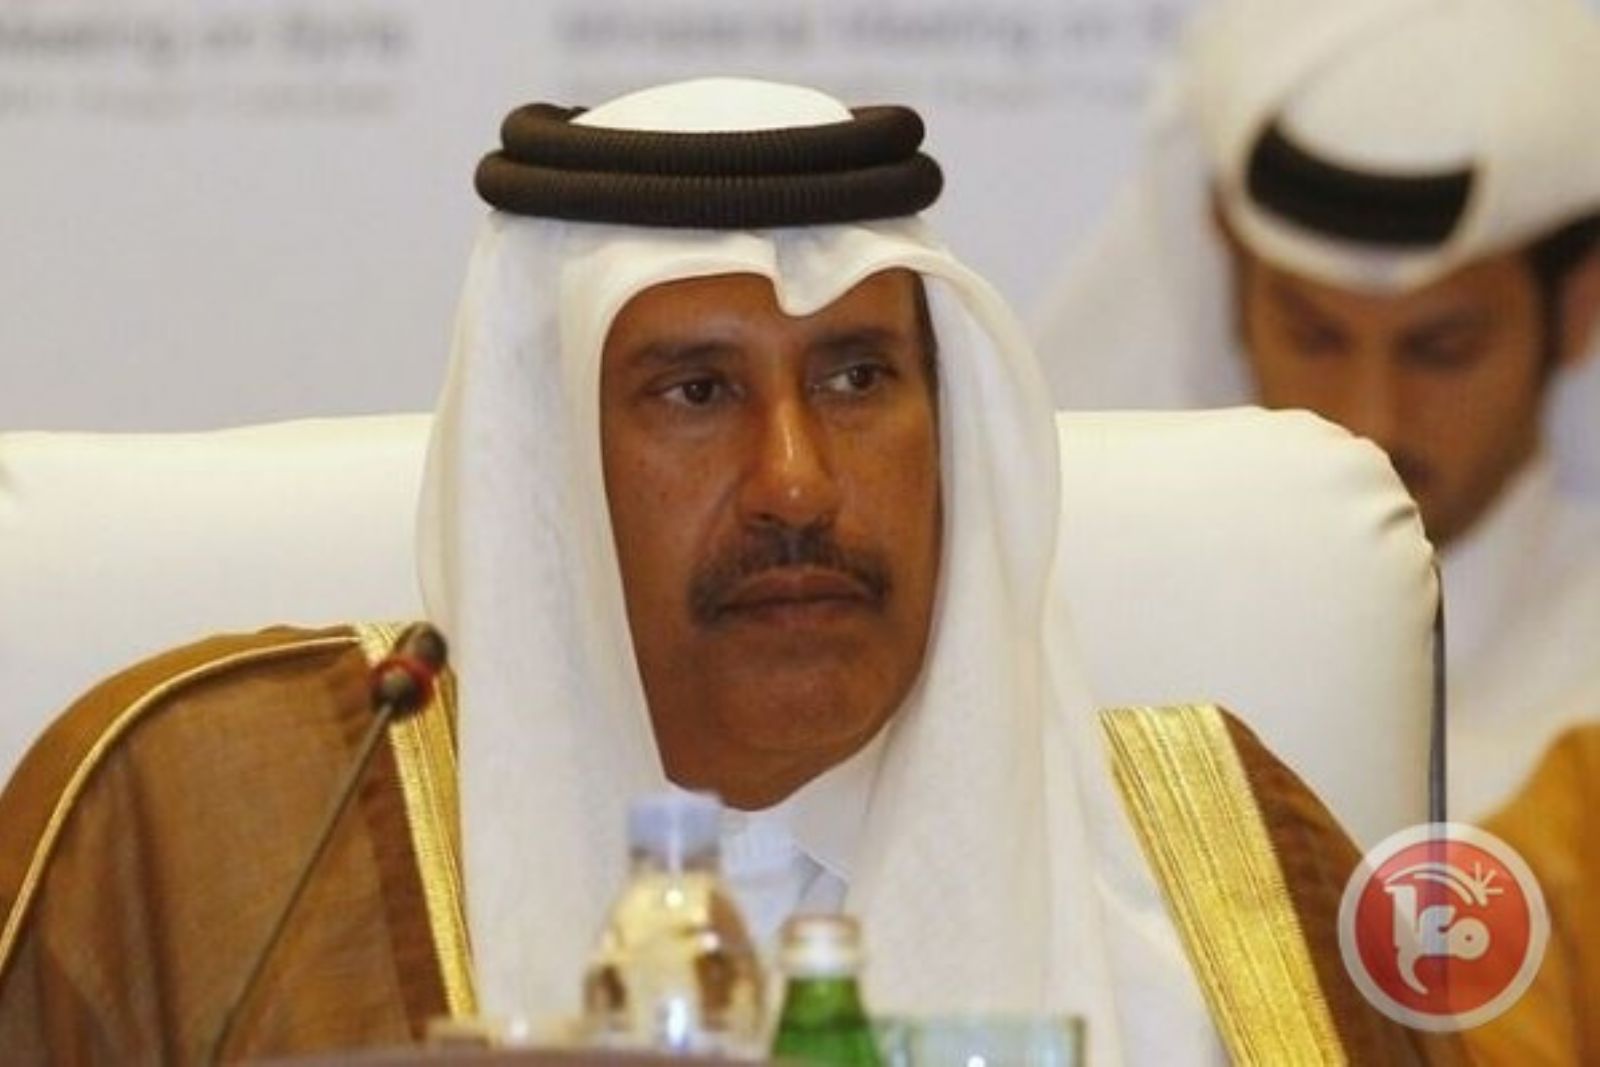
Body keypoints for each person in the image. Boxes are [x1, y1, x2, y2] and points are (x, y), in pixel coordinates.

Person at [0, 79, 1445, 1065]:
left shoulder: (1226, 850)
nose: (797, 481)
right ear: (546, 472)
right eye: (694, 392)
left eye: (858, 375)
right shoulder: (213, 827)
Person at [1031, 0, 1600, 819]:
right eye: (1314, 337)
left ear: (1578, 309)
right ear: (1228, 271)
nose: (1372, 420)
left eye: (1441, 350)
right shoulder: (1065, 672)